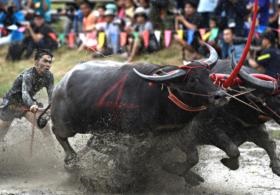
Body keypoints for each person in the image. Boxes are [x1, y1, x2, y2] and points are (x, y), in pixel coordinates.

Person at [0, 49, 54, 145]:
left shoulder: (49, 76)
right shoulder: (28, 75)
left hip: (26, 104)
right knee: (3, 129)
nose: (48, 64)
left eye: (50, 62)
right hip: (12, 102)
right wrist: (32, 104)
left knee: (44, 127)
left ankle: (54, 154)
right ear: (37, 62)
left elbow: (51, 95)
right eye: (45, 61)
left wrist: (53, 106)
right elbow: (25, 93)